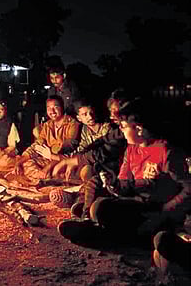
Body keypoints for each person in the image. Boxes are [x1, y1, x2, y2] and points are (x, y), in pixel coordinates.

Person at [58, 98, 191, 250]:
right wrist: (112, 185)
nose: (120, 131)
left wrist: (164, 212)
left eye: (123, 127)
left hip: (153, 208)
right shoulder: (131, 148)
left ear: (139, 129)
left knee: (101, 208)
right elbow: (123, 182)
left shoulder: (165, 152)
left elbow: (188, 189)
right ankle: (88, 220)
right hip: (134, 201)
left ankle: (104, 233)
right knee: (97, 194)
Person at [49, 88, 130, 214]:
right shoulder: (118, 130)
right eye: (111, 112)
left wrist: (72, 160)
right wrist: (72, 160)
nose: (111, 116)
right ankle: (84, 208)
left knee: (89, 174)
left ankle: (84, 201)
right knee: (90, 179)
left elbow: (104, 151)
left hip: (114, 170)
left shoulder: (121, 130)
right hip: (106, 169)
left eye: (115, 112)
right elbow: (95, 145)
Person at [7, 96, 80, 186]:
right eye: (49, 108)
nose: (52, 112)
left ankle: (46, 180)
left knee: (53, 172)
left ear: (62, 107)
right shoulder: (47, 125)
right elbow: (37, 145)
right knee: (25, 164)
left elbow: (67, 148)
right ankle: (42, 179)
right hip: (47, 159)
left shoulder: (72, 123)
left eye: (55, 107)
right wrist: (18, 163)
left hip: (64, 160)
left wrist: (47, 166)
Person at [48, 99, 111, 182]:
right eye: (85, 114)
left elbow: (100, 151)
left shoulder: (106, 128)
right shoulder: (85, 129)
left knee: (86, 171)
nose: (90, 117)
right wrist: (69, 161)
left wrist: (73, 161)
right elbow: (82, 148)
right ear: (79, 118)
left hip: (104, 162)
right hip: (89, 159)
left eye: (91, 113)